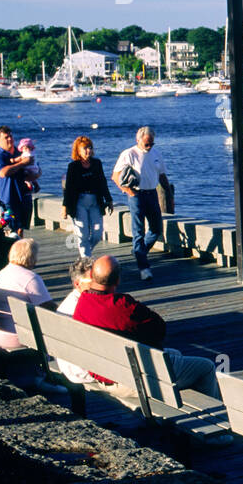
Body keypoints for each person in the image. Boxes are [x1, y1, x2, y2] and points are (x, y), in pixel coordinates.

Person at [73, 255, 220, 398]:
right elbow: (159, 329)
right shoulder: (123, 306)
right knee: (206, 367)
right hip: (132, 380)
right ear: (117, 280)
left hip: (103, 374)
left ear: (92, 275)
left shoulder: (83, 302)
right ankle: (214, 417)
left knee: (175, 354)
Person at [112, 126, 170, 281]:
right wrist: (128, 191)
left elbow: (162, 175)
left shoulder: (156, 154)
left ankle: (140, 252)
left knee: (156, 229)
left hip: (152, 193)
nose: (149, 147)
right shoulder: (129, 154)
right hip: (137, 194)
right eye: (146, 144)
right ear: (138, 140)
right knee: (138, 231)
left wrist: (168, 192)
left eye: (152, 144)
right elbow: (115, 176)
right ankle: (144, 268)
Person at [0, 237, 52, 351]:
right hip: (19, 337)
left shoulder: (2, 273)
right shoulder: (31, 278)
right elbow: (49, 308)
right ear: (31, 257)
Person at [62, 135, 114, 259]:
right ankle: (86, 259)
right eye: (85, 148)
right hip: (79, 202)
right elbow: (68, 188)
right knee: (82, 234)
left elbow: (103, 182)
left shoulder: (97, 163)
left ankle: (85, 251)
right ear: (78, 150)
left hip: (95, 201)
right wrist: (65, 207)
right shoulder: (73, 166)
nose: (88, 150)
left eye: (90, 147)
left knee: (97, 233)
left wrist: (109, 199)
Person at [52, 257, 97, 385]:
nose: (98, 284)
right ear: (77, 284)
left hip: (67, 367)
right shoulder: (85, 309)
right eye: (93, 281)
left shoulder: (67, 304)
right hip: (84, 372)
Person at [0, 125, 33, 236]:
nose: (10, 139)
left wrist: (34, 179)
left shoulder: (19, 153)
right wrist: (22, 163)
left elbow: (28, 171)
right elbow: (3, 173)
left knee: (20, 230)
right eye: (6, 137)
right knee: (10, 232)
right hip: (8, 201)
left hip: (23, 198)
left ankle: (21, 253)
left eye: (10, 136)